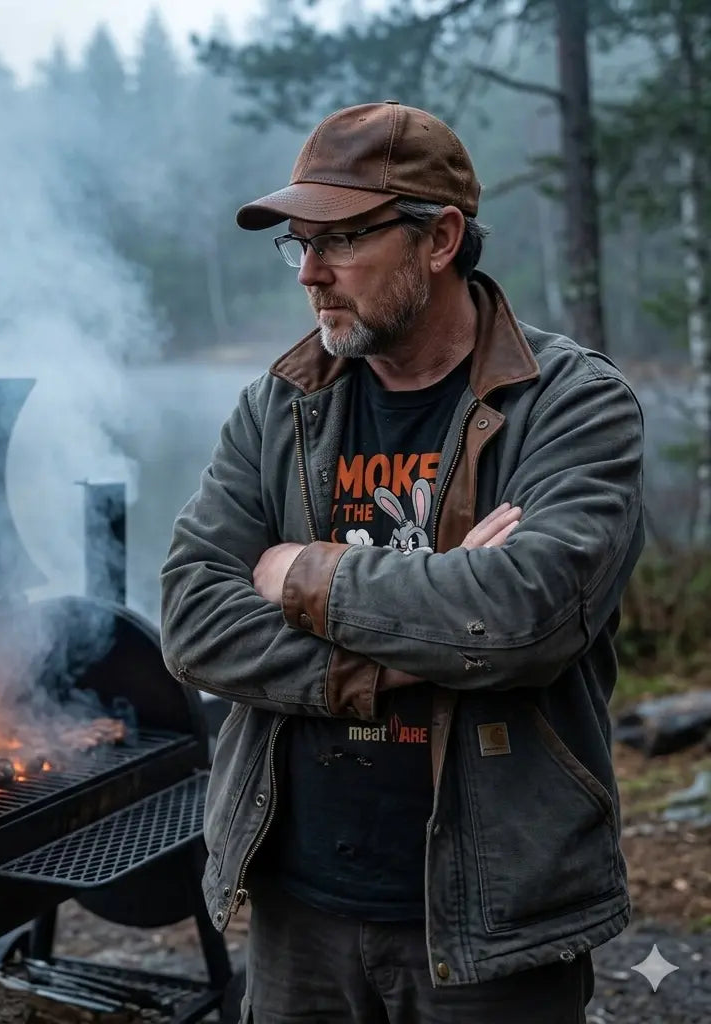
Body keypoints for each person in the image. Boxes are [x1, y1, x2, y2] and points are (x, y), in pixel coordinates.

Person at [160, 101, 645, 1024]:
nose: (309, 273)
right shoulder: (282, 403)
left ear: (440, 239)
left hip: (493, 916)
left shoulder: (573, 404)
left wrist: (300, 573)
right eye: (299, 244)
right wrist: (427, 627)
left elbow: (523, 618)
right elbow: (191, 619)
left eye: (340, 239)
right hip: (297, 908)